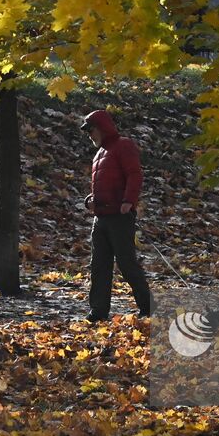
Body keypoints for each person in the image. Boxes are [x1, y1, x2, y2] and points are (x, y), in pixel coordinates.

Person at [81, 109, 155, 321]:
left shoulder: (123, 145)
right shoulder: (99, 153)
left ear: (102, 128)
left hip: (120, 217)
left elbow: (134, 174)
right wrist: (90, 201)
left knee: (127, 263)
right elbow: (100, 186)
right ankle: (98, 310)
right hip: (101, 218)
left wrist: (128, 201)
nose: (90, 135)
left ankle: (148, 306)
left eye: (91, 130)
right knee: (99, 265)